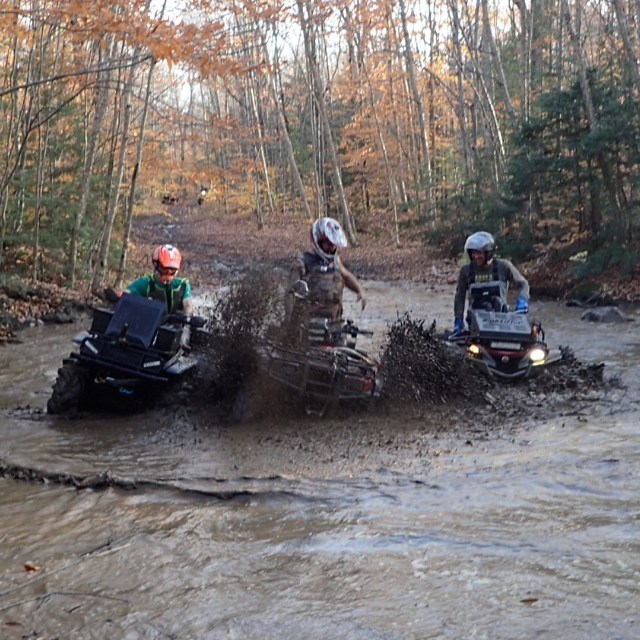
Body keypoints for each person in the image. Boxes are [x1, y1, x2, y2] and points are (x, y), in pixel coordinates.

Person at [285, 217, 367, 342]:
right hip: (309, 329)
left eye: (333, 245)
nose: (331, 248)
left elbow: (346, 276)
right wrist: (290, 324)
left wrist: (360, 290)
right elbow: (289, 294)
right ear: (318, 240)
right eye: (328, 244)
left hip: (335, 328)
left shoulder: (336, 262)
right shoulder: (302, 263)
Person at [453, 231, 530, 333]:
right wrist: (458, 321)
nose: (476, 256)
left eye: (479, 253)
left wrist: (522, 301)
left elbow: (523, 284)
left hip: (502, 322)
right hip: (475, 325)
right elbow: (460, 297)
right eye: (473, 253)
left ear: (489, 253)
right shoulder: (466, 271)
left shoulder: (504, 266)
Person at [125, 244, 194, 347]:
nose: (168, 273)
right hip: (148, 326)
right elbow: (127, 293)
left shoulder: (182, 285)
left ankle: (183, 346)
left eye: (172, 270)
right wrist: (117, 296)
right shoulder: (147, 282)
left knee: (185, 330)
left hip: (174, 327)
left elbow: (188, 303)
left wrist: (187, 316)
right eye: (164, 269)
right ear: (156, 265)